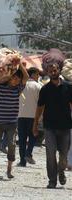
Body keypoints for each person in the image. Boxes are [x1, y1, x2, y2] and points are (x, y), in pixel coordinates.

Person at [33, 51, 71, 189]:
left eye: (55, 70)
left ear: (59, 70)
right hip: (49, 127)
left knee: (63, 157)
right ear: (48, 72)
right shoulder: (45, 89)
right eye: (50, 70)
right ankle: (52, 180)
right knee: (50, 154)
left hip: (66, 127)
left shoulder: (68, 87)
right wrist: (35, 125)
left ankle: (61, 171)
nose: (53, 72)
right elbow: (39, 108)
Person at [0, 64, 29, 179]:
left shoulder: (18, 89)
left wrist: (20, 63)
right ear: (9, 77)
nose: (16, 81)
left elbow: (26, 77)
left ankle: (9, 170)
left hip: (11, 123)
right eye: (14, 78)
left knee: (12, 145)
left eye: (18, 80)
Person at [17, 67, 42, 167]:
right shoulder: (39, 86)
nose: (38, 76)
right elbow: (41, 103)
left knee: (22, 139)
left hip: (21, 115)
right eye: (37, 74)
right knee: (33, 136)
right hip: (33, 116)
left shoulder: (21, 85)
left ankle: (22, 161)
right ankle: (28, 153)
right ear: (33, 74)